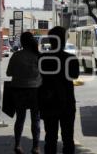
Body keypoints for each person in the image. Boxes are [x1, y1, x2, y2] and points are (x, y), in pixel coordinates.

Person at [38, 26, 79, 154]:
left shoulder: (42, 59)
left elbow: (38, 79)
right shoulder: (71, 59)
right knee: (68, 138)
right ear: (64, 40)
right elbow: (74, 76)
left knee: (50, 138)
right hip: (67, 102)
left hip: (48, 102)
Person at [6, 32, 42, 154]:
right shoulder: (37, 56)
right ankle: (36, 147)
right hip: (35, 90)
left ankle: (17, 145)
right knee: (35, 119)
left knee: (20, 118)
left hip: (18, 90)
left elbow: (8, 73)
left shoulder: (16, 56)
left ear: (21, 42)